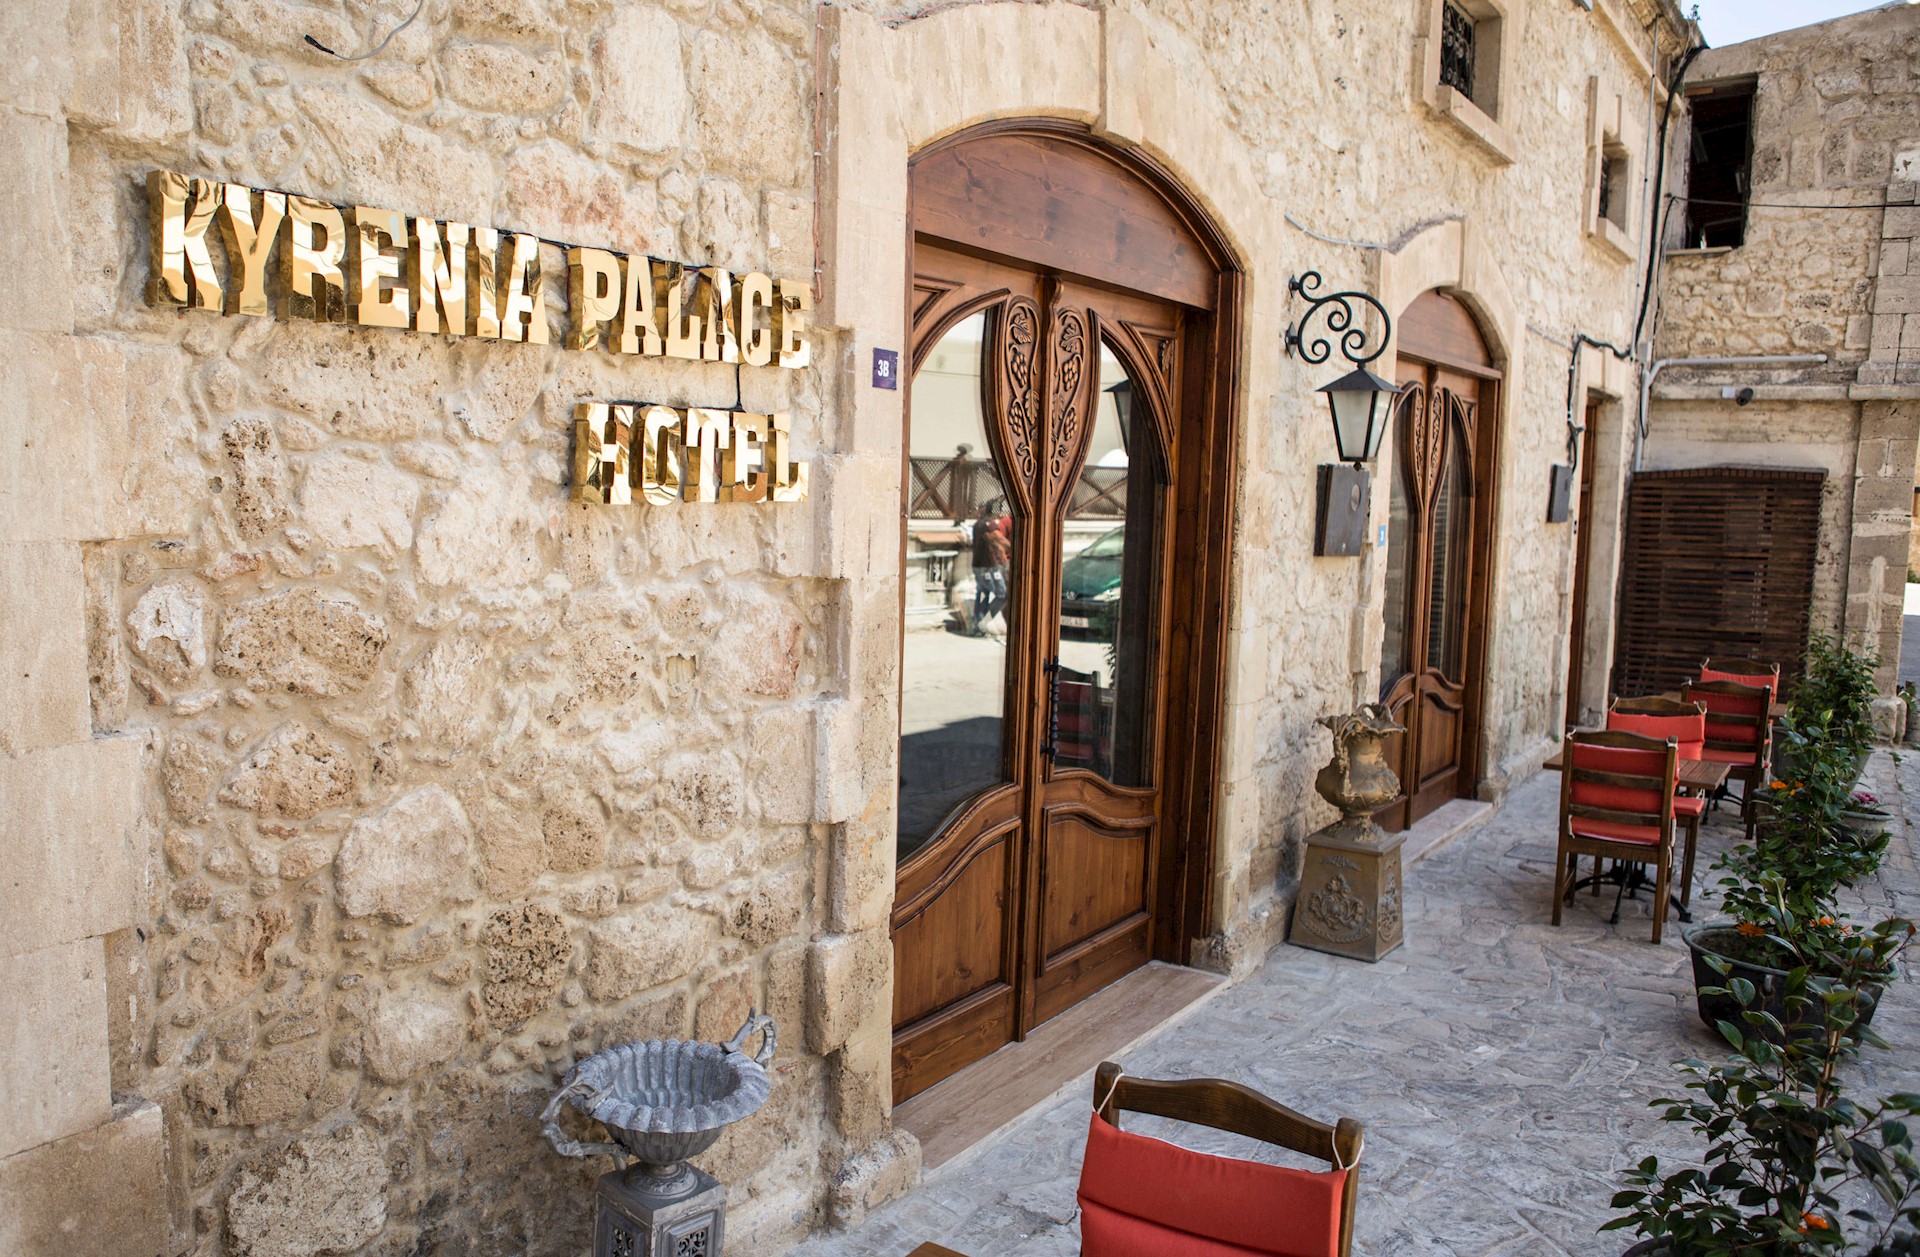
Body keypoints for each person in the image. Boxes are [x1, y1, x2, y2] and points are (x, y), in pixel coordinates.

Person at [971, 499, 1011, 635]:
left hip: (978, 565)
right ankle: (983, 623)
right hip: (988, 567)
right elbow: (997, 541)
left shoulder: (978, 524)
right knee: (1002, 594)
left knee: (983, 594)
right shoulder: (988, 525)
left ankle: (978, 626)